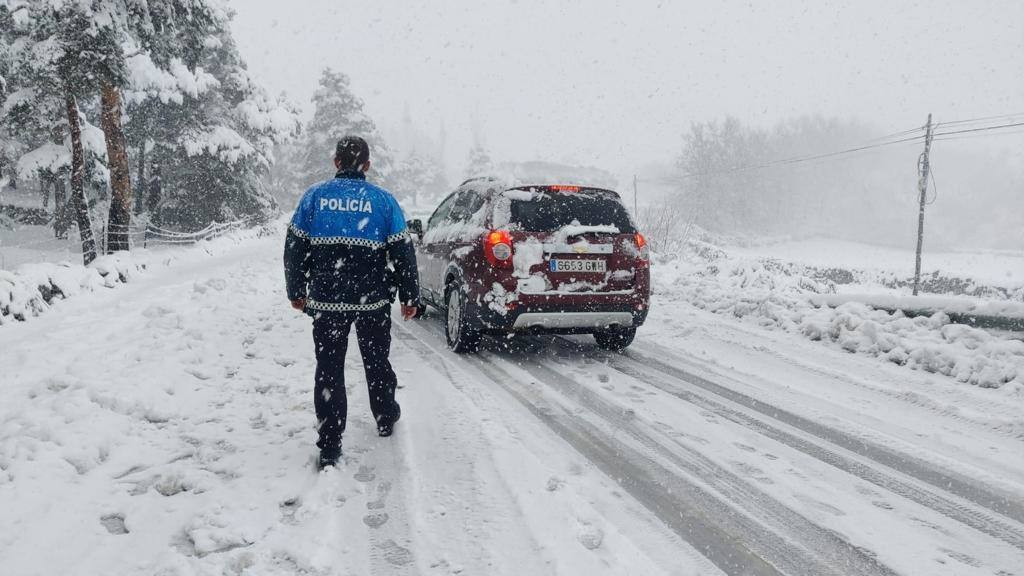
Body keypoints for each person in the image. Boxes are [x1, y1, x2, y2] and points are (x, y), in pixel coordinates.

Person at [283, 136, 420, 469]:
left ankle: (330, 445)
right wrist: (409, 294)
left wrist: (296, 289)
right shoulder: (384, 202)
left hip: (328, 300)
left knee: (329, 370)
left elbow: (295, 246)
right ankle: (385, 414)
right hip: (372, 300)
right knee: (376, 361)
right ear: (367, 166)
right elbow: (403, 251)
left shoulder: (314, 197)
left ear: (335, 162)